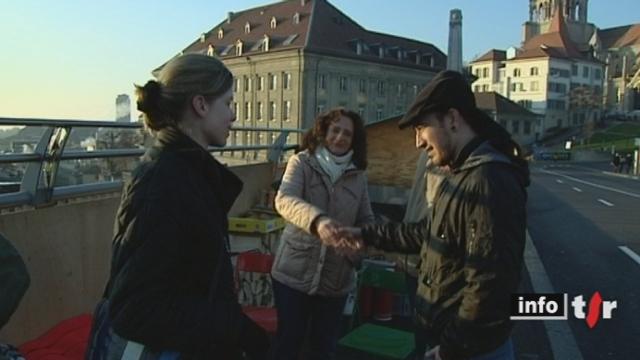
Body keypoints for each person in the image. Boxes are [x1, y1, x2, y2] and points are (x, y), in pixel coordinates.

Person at [86, 54, 268, 359]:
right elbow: (138, 308)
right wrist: (238, 331)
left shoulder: (183, 172)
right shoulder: (166, 181)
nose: (233, 115)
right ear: (200, 105)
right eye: (227, 103)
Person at [339, 71, 530, 360]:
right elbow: (426, 233)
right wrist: (365, 235)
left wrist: (451, 349)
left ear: (452, 119)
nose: (417, 142)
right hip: (449, 340)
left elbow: (489, 284)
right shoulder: (460, 173)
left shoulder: (488, 180)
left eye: (421, 128)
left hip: (469, 351)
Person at [270, 108, 374, 360]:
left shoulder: (358, 176)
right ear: (323, 131)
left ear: (354, 140)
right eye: (335, 130)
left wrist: (360, 245)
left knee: (323, 349)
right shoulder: (302, 162)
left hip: (335, 281)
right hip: (293, 275)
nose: (339, 137)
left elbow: (366, 219)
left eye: (347, 134)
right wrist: (318, 221)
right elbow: (284, 200)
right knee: (288, 344)